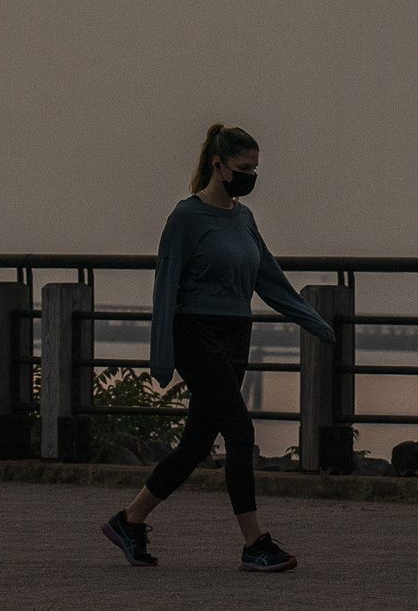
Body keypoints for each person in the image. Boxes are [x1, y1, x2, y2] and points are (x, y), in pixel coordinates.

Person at [99, 123, 336, 573]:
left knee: (195, 444)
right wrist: (162, 354)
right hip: (196, 334)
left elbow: (268, 277)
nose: (251, 176)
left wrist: (312, 320)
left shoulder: (244, 219)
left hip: (235, 333)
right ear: (218, 164)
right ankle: (254, 544)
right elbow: (165, 284)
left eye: (256, 169)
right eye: (244, 168)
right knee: (240, 432)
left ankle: (129, 521)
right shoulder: (186, 218)